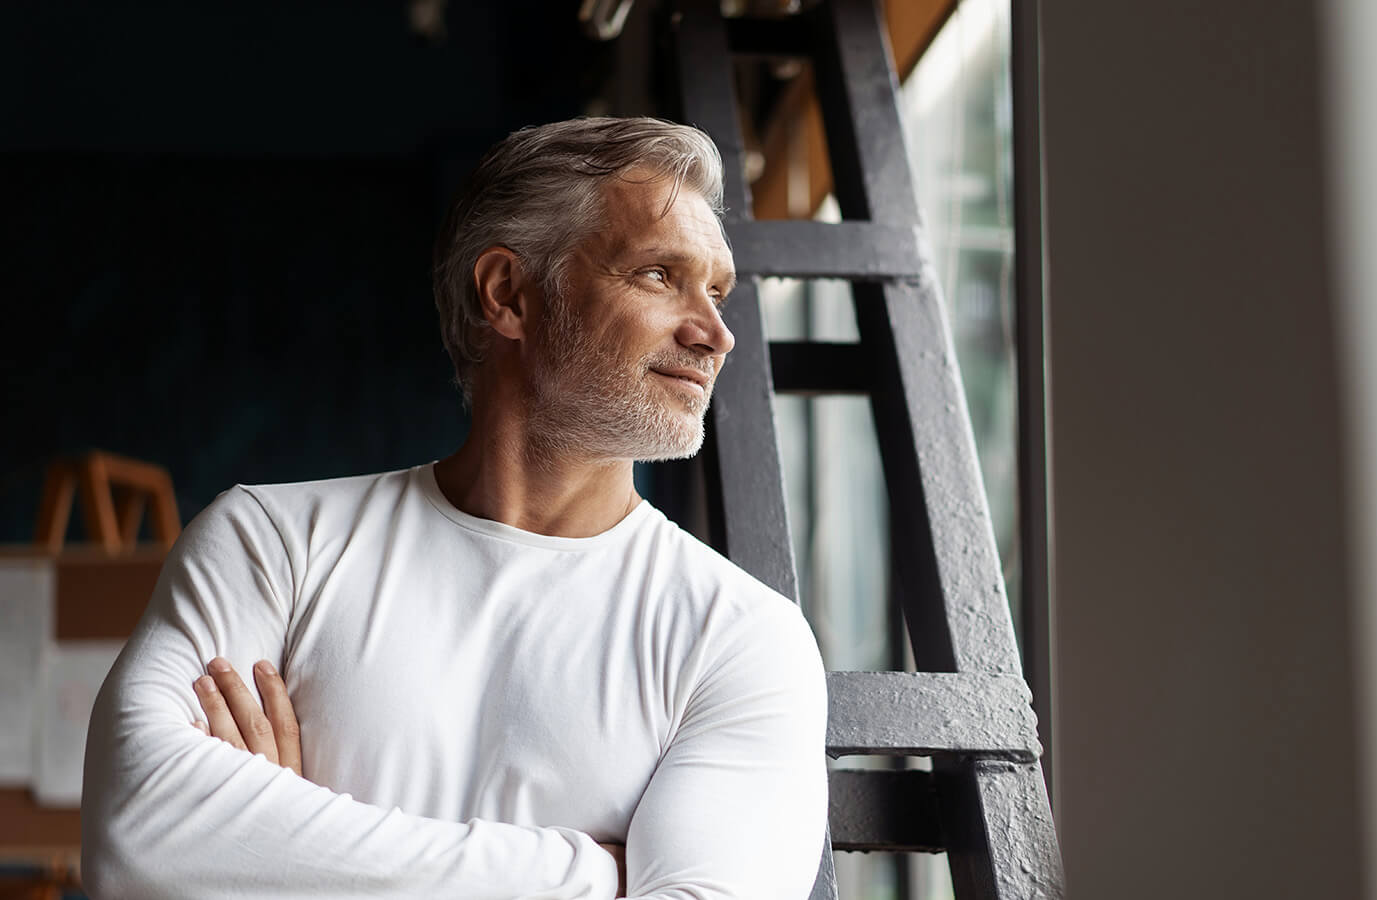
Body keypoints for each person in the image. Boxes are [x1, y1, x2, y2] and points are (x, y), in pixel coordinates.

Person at [80, 117, 829, 900]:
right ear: (508, 294)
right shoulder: (271, 545)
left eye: (716, 290)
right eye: (658, 275)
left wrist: (275, 850)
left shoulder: (742, 638)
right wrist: (589, 873)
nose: (715, 334)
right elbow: (137, 837)